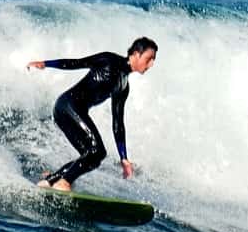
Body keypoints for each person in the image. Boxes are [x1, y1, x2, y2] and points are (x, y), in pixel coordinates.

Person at [27, 37, 157, 191]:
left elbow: (118, 123)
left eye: (153, 60)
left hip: (75, 111)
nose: (151, 64)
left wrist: (124, 158)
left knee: (92, 158)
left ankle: (50, 181)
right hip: (67, 105)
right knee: (97, 152)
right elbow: (76, 63)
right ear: (136, 54)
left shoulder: (123, 86)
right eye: (149, 59)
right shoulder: (109, 60)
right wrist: (46, 64)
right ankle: (64, 182)